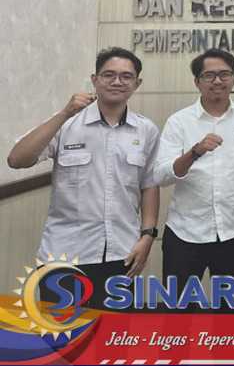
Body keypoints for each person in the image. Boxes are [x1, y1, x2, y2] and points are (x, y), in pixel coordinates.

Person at [7, 47, 159, 310]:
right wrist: (64, 113)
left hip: (122, 254)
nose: (117, 81)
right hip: (65, 256)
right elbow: (17, 160)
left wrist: (147, 236)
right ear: (94, 79)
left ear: (137, 83)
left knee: (113, 340)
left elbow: (149, 184)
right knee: (66, 344)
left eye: (126, 76)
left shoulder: (146, 130)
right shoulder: (66, 123)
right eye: (108, 74)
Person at [154, 48, 234, 312]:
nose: (217, 81)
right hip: (185, 233)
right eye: (209, 75)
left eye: (224, 74)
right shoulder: (179, 122)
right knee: (178, 313)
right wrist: (194, 152)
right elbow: (161, 175)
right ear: (197, 82)